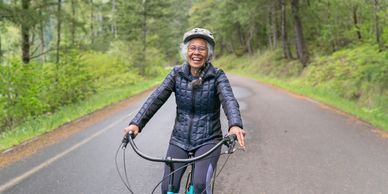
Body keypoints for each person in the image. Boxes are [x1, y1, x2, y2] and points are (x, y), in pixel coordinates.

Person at [124, 28, 246, 194]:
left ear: (208, 53)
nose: (196, 52)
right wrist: (136, 123)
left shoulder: (217, 76)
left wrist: (235, 124)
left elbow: (229, 100)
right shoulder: (177, 74)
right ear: (186, 51)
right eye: (192, 48)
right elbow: (156, 98)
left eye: (202, 48)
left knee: (200, 187)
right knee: (168, 188)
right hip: (179, 139)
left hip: (208, 139)